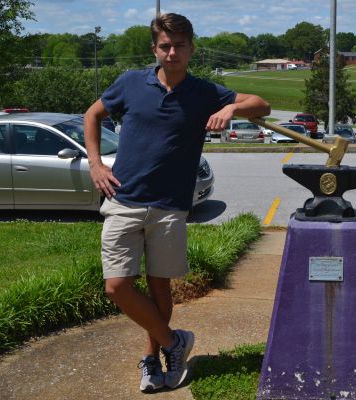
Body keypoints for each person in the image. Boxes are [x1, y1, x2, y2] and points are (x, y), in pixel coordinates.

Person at [83, 13, 270, 393]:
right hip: (125, 198)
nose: (172, 53)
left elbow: (261, 104)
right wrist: (96, 164)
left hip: (170, 205)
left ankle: (153, 359)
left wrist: (231, 109)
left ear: (191, 49)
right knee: (117, 286)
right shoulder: (131, 83)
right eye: (165, 46)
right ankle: (175, 342)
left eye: (179, 46)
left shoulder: (204, 92)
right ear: (155, 49)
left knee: (160, 288)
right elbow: (92, 114)